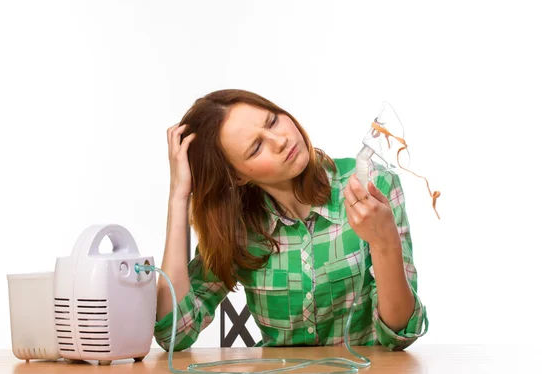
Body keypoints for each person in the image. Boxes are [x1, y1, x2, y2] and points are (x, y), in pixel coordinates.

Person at [154, 89, 428, 352]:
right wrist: (178, 196)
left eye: (272, 121)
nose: (280, 140)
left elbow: (401, 333)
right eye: (257, 147)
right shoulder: (238, 230)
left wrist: (384, 242)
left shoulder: (373, 187)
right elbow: (175, 332)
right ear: (238, 176)